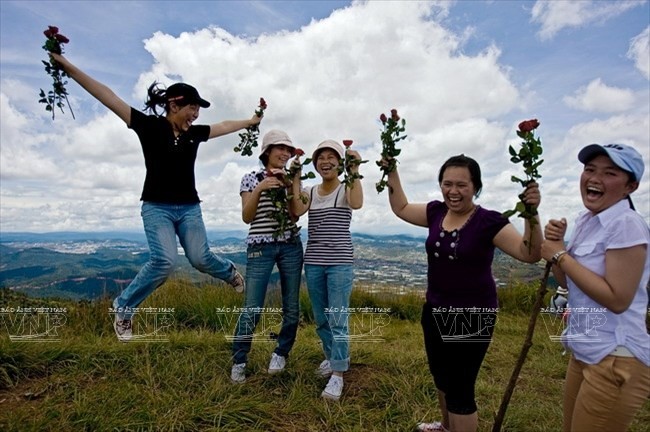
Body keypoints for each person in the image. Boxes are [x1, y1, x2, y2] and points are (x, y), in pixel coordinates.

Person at [47, 52, 262, 342]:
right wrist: (70, 69)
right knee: (164, 261)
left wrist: (250, 120)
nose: (196, 115)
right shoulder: (148, 127)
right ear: (174, 104)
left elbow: (223, 126)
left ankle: (228, 272)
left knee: (200, 257)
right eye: (192, 108)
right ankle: (123, 308)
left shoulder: (194, 134)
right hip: (156, 207)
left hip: (189, 208)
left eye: (198, 110)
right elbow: (108, 97)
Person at [384, 154, 542, 432]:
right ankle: (446, 427)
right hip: (434, 308)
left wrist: (531, 213)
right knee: (442, 378)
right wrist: (392, 171)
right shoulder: (436, 212)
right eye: (447, 184)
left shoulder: (489, 222)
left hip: (471, 314)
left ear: (476, 187)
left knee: (460, 390)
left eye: (461, 185)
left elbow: (528, 253)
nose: (453, 191)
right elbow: (401, 207)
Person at [541, 143, 649, 432]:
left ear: (631, 186)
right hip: (586, 348)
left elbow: (618, 299)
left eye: (609, 173)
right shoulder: (587, 222)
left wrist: (559, 255)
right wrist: (558, 250)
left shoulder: (627, 224)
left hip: (616, 357)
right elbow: (569, 284)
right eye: (590, 170)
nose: (594, 178)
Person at [291, 140, 364, 401]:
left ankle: (338, 373)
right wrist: (296, 177)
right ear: (315, 164)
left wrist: (354, 169)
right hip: (313, 263)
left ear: (340, 162)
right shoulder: (310, 192)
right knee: (321, 318)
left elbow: (356, 203)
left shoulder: (346, 188)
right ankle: (333, 357)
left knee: (337, 317)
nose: (326, 161)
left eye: (332, 156)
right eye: (321, 157)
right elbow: (296, 211)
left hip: (339, 263)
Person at [231, 129, 304, 383]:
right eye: (280, 148)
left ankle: (281, 352)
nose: (285, 153)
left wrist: (293, 182)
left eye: (288, 150)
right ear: (267, 152)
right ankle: (239, 359)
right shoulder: (250, 178)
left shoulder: (291, 179)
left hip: (291, 245)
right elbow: (247, 217)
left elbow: (296, 214)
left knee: (291, 307)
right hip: (260, 247)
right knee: (252, 307)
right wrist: (261, 187)